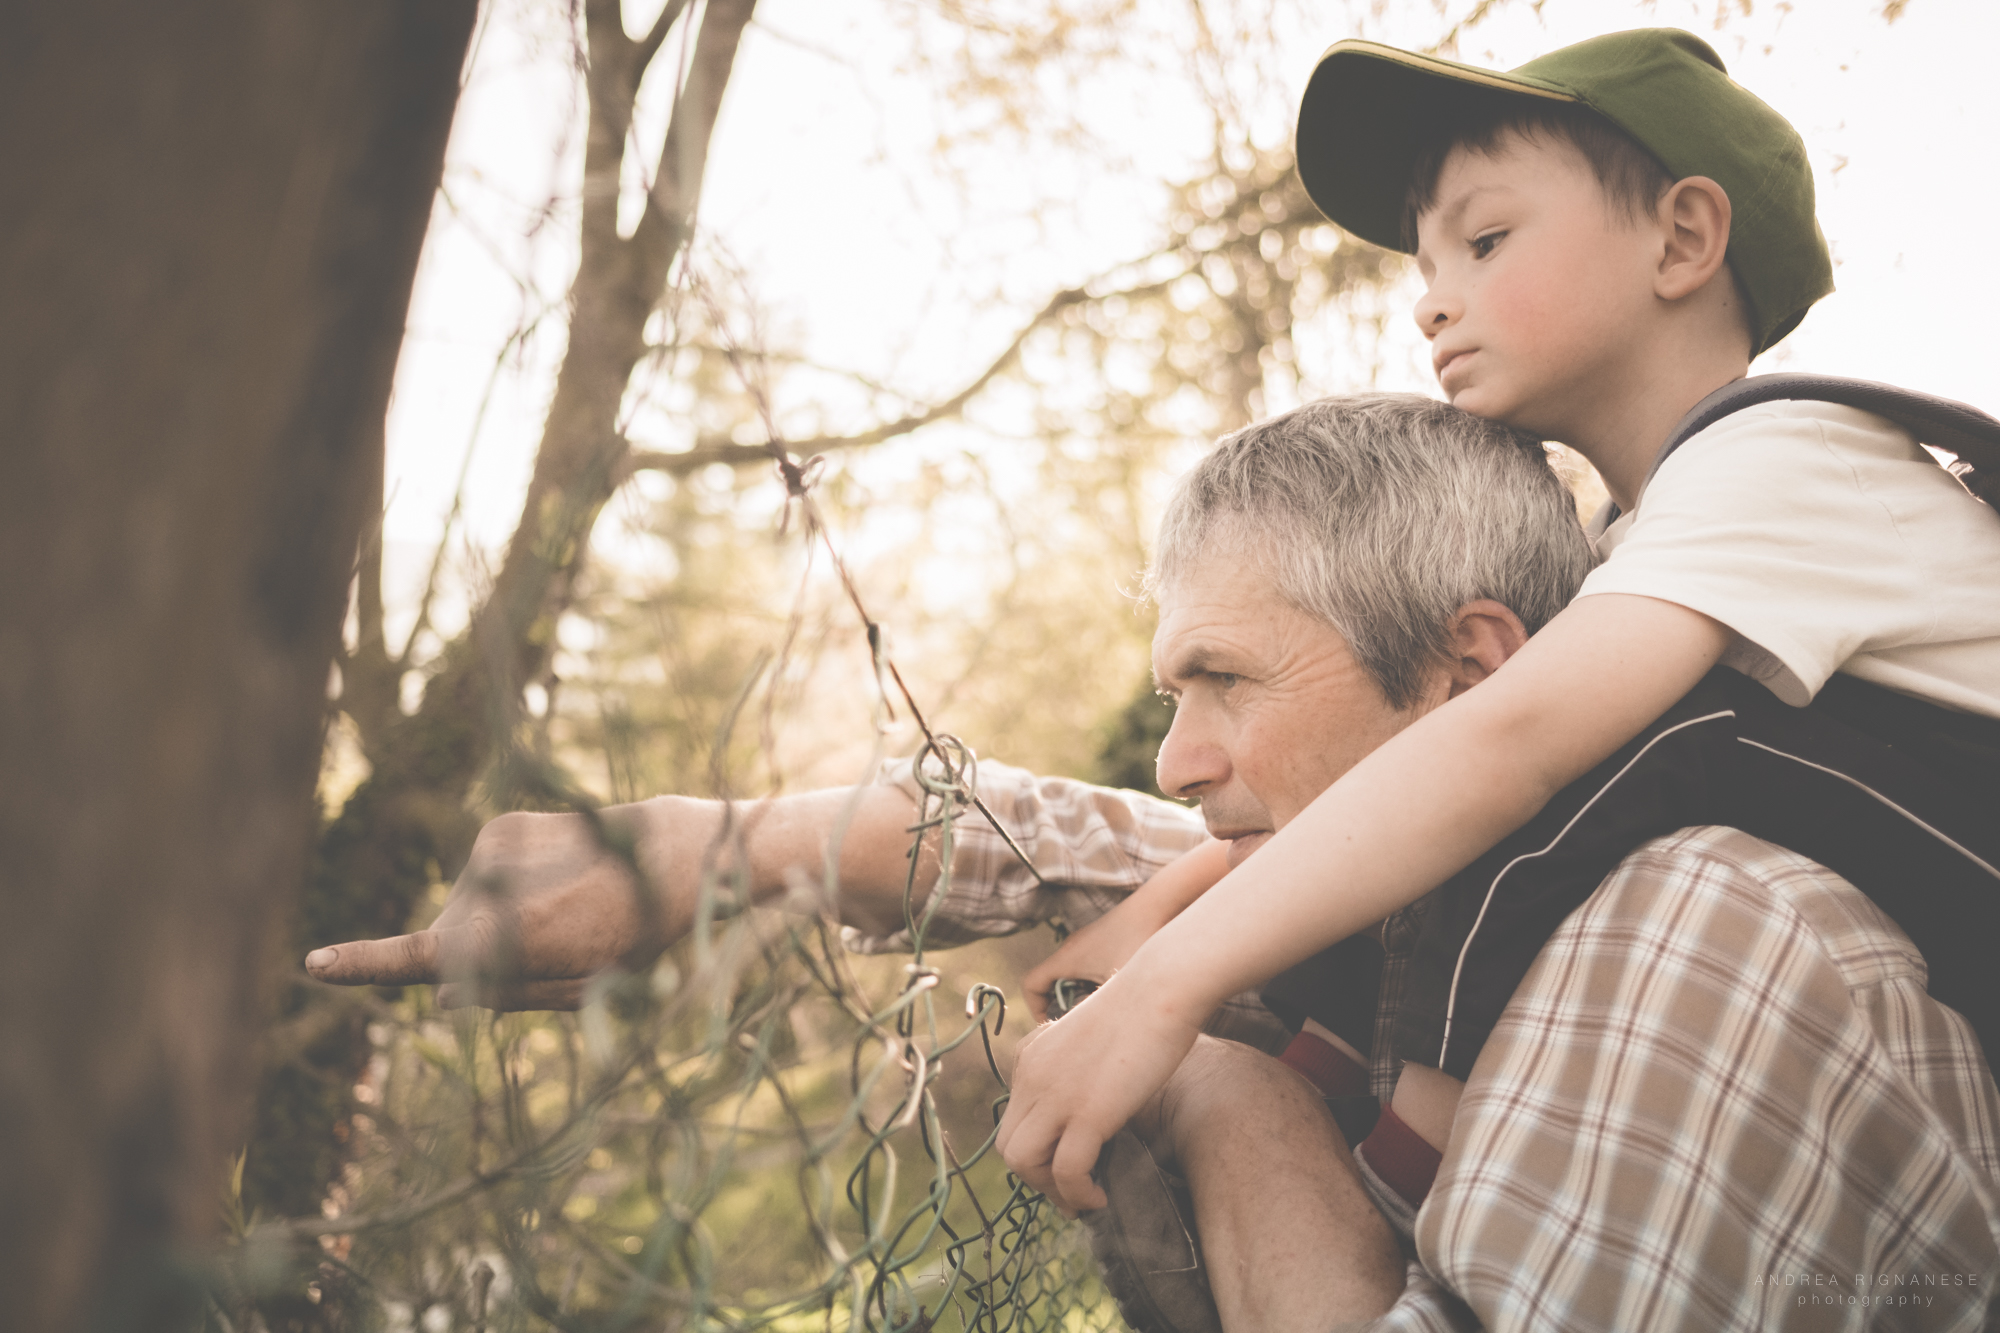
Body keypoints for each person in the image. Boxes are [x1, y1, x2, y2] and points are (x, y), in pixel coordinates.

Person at [308, 395, 2000, 1328]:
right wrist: (699, 849)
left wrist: (1224, 1100)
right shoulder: (1435, 866)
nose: (1179, 763)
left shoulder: (1703, 934)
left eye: (1228, 686)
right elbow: (1051, 838)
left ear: (1475, 675)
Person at [992, 28, 2000, 1233]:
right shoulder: (1651, 542)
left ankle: (1410, 1164)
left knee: (1570, 777)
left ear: (1680, 239)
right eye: (1422, 264)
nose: (1429, 299)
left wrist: (1164, 988)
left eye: (1481, 240)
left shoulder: (1787, 457)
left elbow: (1505, 746)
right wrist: (1139, 928)